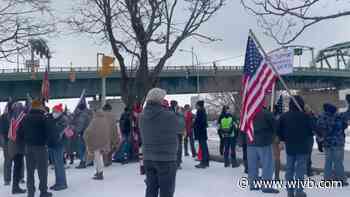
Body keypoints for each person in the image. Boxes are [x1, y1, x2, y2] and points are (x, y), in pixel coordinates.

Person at [139, 88, 180, 197]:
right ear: (160, 100)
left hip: (148, 158)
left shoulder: (141, 116)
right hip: (166, 159)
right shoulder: (169, 115)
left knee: (151, 190)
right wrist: (175, 111)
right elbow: (180, 127)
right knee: (166, 192)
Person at [277, 96, 314, 197]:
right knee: (300, 170)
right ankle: (299, 191)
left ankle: (290, 191)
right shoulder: (305, 116)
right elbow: (313, 128)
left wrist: (281, 140)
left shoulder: (284, 116)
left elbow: (278, 130)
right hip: (303, 147)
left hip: (290, 146)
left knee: (289, 169)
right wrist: (310, 113)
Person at [17, 100, 52, 197]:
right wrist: (46, 141)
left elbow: (19, 133)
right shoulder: (43, 118)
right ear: (39, 107)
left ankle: (31, 192)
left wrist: (26, 141)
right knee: (42, 171)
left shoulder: (24, 118)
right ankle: (43, 192)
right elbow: (49, 132)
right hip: (41, 147)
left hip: (28, 147)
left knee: (30, 171)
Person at [247, 97, 279, 193]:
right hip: (264, 142)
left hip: (250, 141)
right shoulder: (267, 113)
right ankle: (266, 186)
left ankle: (253, 184)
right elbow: (276, 126)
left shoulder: (247, 113)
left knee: (252, 165)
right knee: (267, 165)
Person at [84, 103, 120, 180]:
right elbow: (111, 128)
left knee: (97, 157)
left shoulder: (95, 119)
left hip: (96, 141)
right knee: (101, 155)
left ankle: (99, 173)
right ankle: (102, 167)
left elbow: (89, 130)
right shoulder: (105, 118)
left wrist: (86, 136)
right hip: (105, 139)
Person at [317, 103, 349, 186]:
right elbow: (347, 115)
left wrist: (319, 142)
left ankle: (327, 179)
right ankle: (340, 179)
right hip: (337, 143)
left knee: (328, 162)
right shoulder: (338, 116)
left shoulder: (321, 118)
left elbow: (318, 131)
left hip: (327, 144)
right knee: (338, 162)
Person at [4, 102, 27, 194]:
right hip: (17, 146)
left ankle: (15, 186)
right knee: (17, 167)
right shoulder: (19, 118)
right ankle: (15, 187)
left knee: (16, 167)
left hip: (12, 145)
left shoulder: (11, 117)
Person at [46, 104, 68, 191]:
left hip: (59, 144)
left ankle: (62, 183)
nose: (54, 113)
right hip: (52, 144)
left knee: (59, 165)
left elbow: (60, 131)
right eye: (53, 111)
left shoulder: (63, 119)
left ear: (60, 112)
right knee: (56, 165)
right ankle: (58, 182)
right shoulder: (53, 118)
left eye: (55, 111)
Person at [71, 103, 91, 169]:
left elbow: (80, 127)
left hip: (83, 133)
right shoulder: (89, 113)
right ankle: (90, 161)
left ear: (80, 108)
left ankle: (83, 162)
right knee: (87, 148)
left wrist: (73, 128)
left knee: (81, 149)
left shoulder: (82, 115)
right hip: (89, 133)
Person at [194, 100, 210, 169]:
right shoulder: (202, 111)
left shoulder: (200, 112)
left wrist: (195, 124)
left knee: (203, 148)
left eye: (196, 105)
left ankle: (204, 162)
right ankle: (206, 162)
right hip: (202, 133)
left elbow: (201, 123)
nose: (195, 106)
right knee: (204, 148)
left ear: (199, 105)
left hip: (201, 133)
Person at [170, 100, 186, 169]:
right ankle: (177, 162)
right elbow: (183, 122)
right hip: (179, 132)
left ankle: (177, 163)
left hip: (175, 132)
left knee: (176, 148)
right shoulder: (180, 113)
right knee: (178, 147)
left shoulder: (173, 112)